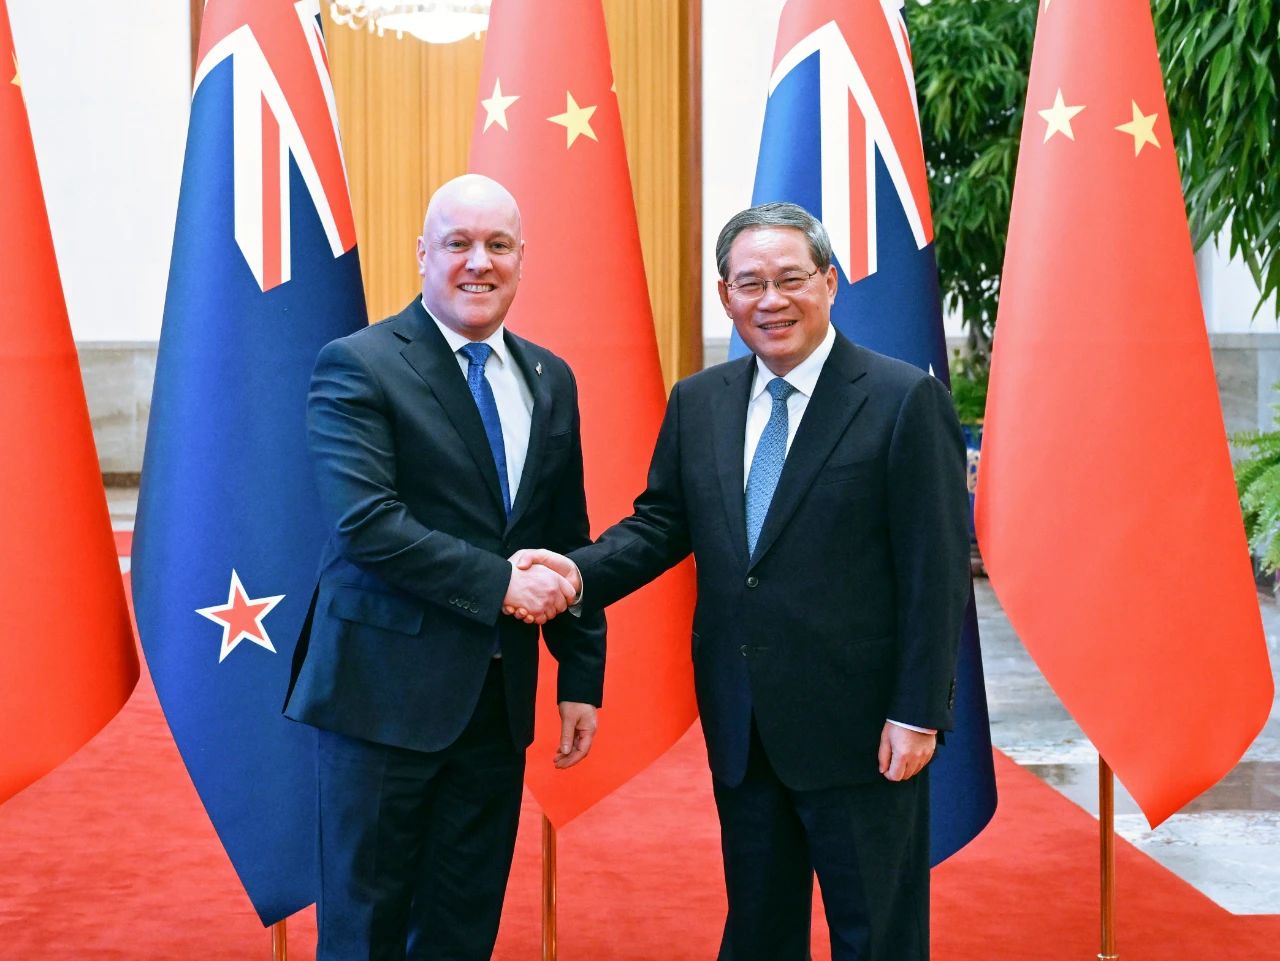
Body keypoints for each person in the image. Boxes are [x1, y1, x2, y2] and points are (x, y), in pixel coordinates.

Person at [511, 202, 969, 961]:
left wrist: (918, 711)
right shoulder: (700, 400)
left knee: (877, 936)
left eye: (791, 279)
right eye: (750, 283)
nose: (771, 300)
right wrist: (576, 571)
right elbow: (661, 523)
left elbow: (937, 570)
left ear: (829, 283)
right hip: (744, 722)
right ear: (726, 296)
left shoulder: (899, 400)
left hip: (862, 730)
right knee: (758, 932)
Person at [284, 174, 605, 961]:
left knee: (463, 927)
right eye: (458, 243)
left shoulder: (550, 378)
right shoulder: (359, 364)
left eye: (498, 244)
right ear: (423, 254)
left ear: (522, 258)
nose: (478, 262)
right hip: (380, 700)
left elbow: (565, 535)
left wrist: (580, 673)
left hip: (496, 707)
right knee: (365, 932)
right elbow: (368, 523)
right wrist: (501, 584)